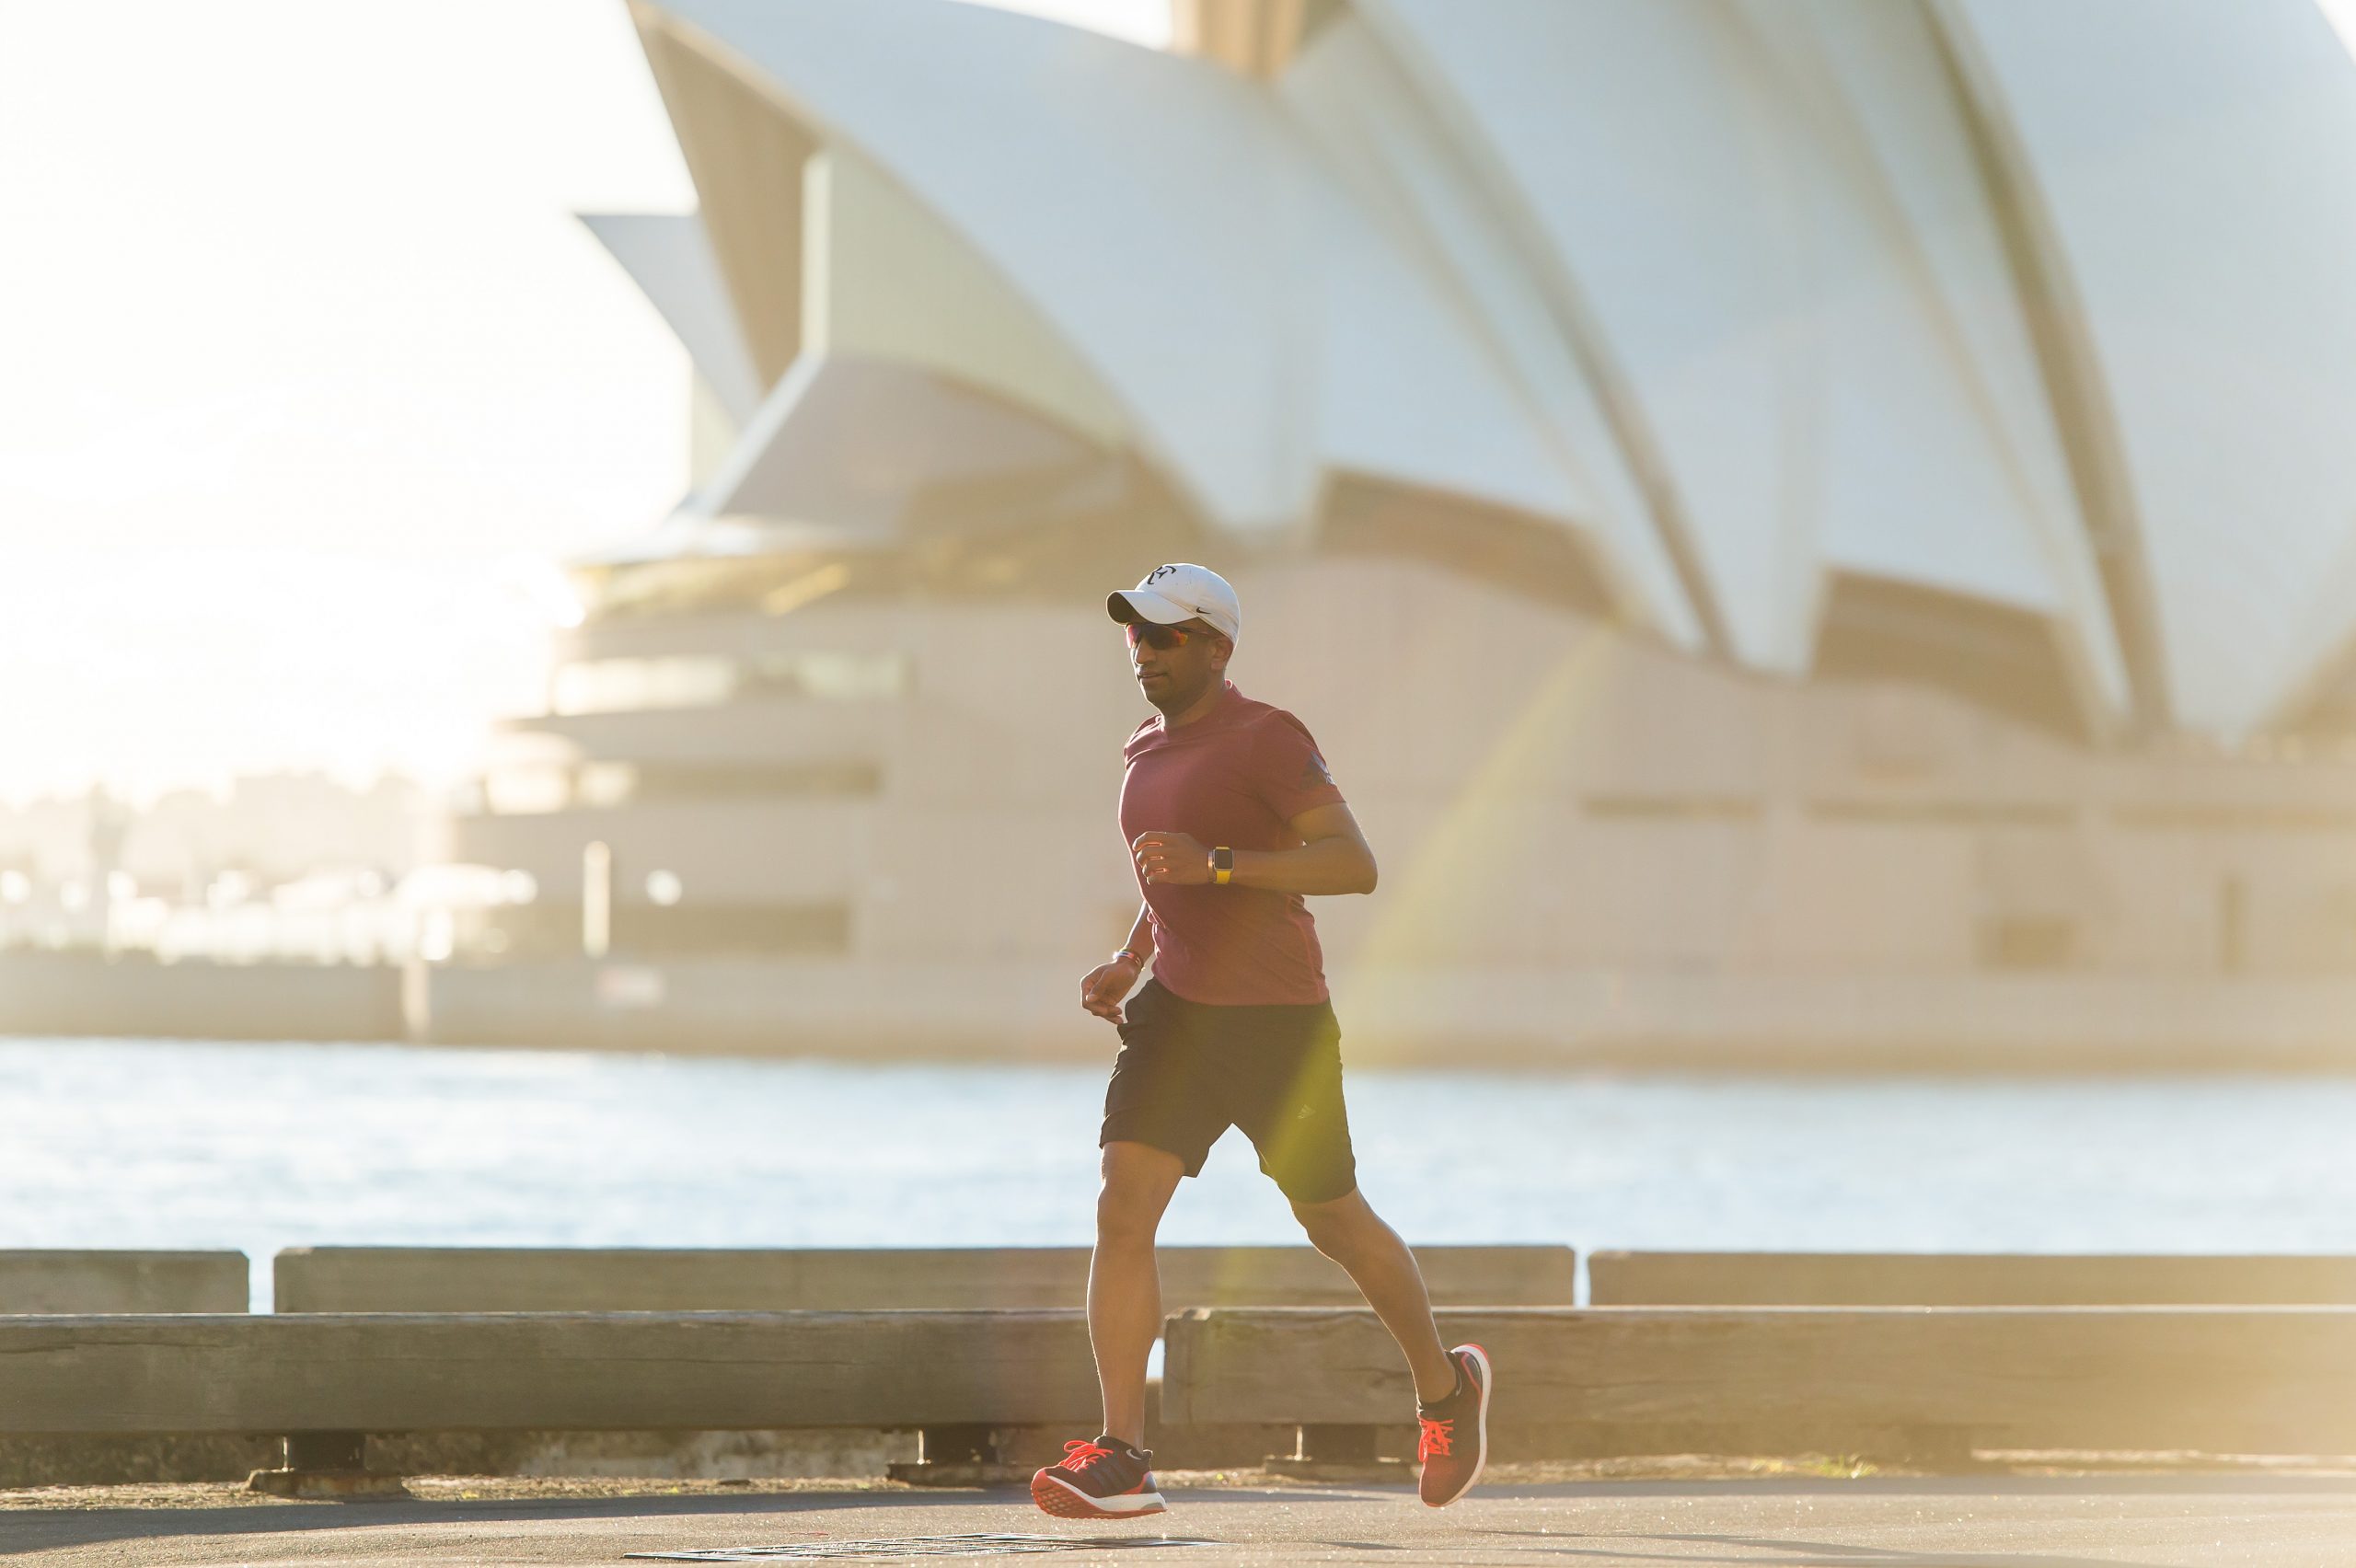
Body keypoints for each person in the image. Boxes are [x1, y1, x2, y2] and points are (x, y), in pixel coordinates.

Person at [1030, 562, 1491, 1520]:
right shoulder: (1143, 749)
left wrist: (1222, 865)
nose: (1143, 653)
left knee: (1333, 1221)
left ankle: (1446, 1391)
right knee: (1124, 1205)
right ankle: (1124, 1454)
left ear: (1214, 646)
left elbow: (1351, 865)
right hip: (1176, 1018)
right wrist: (1129, 957)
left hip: (1277, 1025)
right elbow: (1169, 880)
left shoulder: (1268, 739)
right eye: (1134, 636)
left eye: (1163, 637)